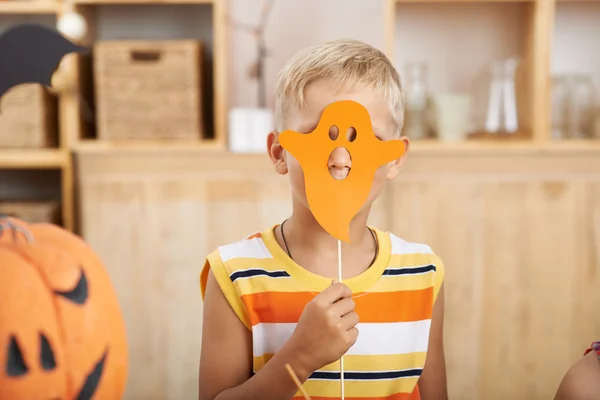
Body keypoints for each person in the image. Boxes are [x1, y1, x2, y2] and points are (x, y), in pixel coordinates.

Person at [198, 39, 448, 400]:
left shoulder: (423, 273)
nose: (340, 160)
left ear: (394, 158)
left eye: (366, 139)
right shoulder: (235, 274)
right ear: (280, 152)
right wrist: (298, 357)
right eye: (316, 136)